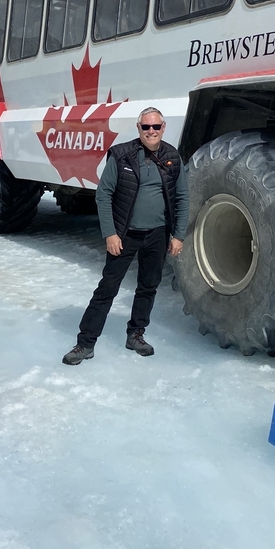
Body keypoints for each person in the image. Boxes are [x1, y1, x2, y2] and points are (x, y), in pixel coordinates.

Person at [62, 107, 189, 365]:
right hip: (125, 235)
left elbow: (182, 198)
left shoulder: (172, 157)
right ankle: (85, 343)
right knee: (107, 289)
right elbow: (103, 194)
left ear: (163, 128)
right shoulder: (122, 156)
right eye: (146, 127)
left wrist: (178, 235)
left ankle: (136, 334)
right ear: (138, 128)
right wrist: (110, 233)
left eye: (156, 127)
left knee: (148, 287)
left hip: (158, 234)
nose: (151, 131)